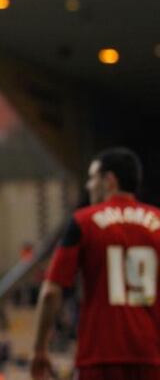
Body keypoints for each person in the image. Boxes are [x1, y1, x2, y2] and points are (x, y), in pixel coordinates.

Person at [31, 147, 160, 380]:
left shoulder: (84, 222)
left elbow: (51, 292)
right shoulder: (158, 222)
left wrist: (40, 349)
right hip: (152, 357)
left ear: (109, 180)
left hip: (99, 357)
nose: (89, 186)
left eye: (92, 178)